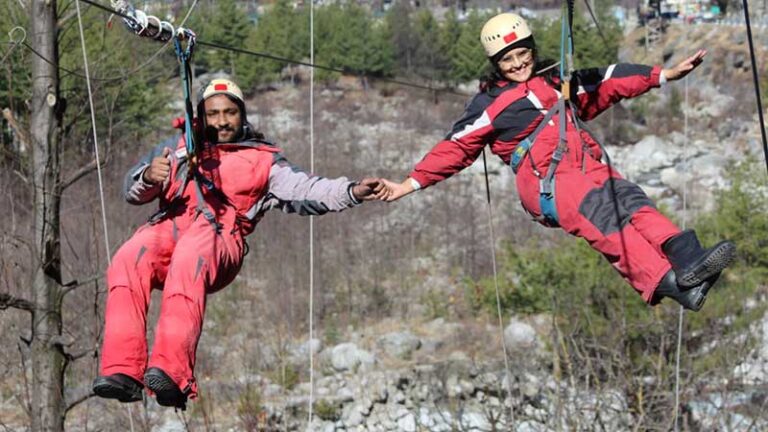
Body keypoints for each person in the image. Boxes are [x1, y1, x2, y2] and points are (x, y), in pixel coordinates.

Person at [375, 13, 735, 311]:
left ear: (532, 50)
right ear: (496, 65)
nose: (517, 64)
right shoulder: (488, 105)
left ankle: (687, 258)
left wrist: (662, 76)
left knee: (633, 201)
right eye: (507, 59)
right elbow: (454, 148)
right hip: (548, 179)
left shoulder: (556, 84)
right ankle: (669, 282)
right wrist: (408, 184)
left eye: (523, 55)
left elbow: (607, 81)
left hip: (587, 165)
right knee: (603, 215)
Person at [92, 78, 380, 409]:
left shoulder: (263, 159)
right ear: (201, 117)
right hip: (170, 228)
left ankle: (172, 373)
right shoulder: (179, 149)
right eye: (213, 114)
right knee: (129, 257)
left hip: (219, 240)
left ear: (242, 115)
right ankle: (122, 372)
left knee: (191, 255)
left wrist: (353, 191)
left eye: (230, 112)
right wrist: (147, 177)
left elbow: (307, 190)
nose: (222, 121)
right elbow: (132, 191)